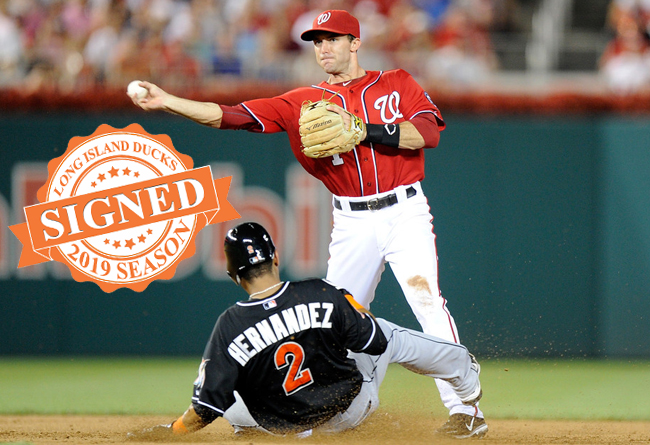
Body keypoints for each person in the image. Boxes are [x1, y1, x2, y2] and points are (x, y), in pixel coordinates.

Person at [129, 9, 486, 436]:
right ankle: (336, 408)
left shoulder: (396, 83)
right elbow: (230, 115)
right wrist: (167, 100)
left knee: (426, 300)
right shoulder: (301, 101)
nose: (324, 48)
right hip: (351, 219)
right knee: (332, 320)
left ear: (355, 43)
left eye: (333, 39)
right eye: (317, 41)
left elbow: (427, 133)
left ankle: (465, 411)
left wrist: (362, 129)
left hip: (403, 210)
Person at [127, 222, 486, 440]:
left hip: (280, 427)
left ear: (234, 277)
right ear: (276, 258)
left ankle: (250, 435)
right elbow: (372, 342)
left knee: (230, 385)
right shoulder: (321, 292)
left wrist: (173, 432)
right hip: (347, 413)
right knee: (384, 332)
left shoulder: (230, 325)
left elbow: (205, 409)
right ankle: (464, 379)